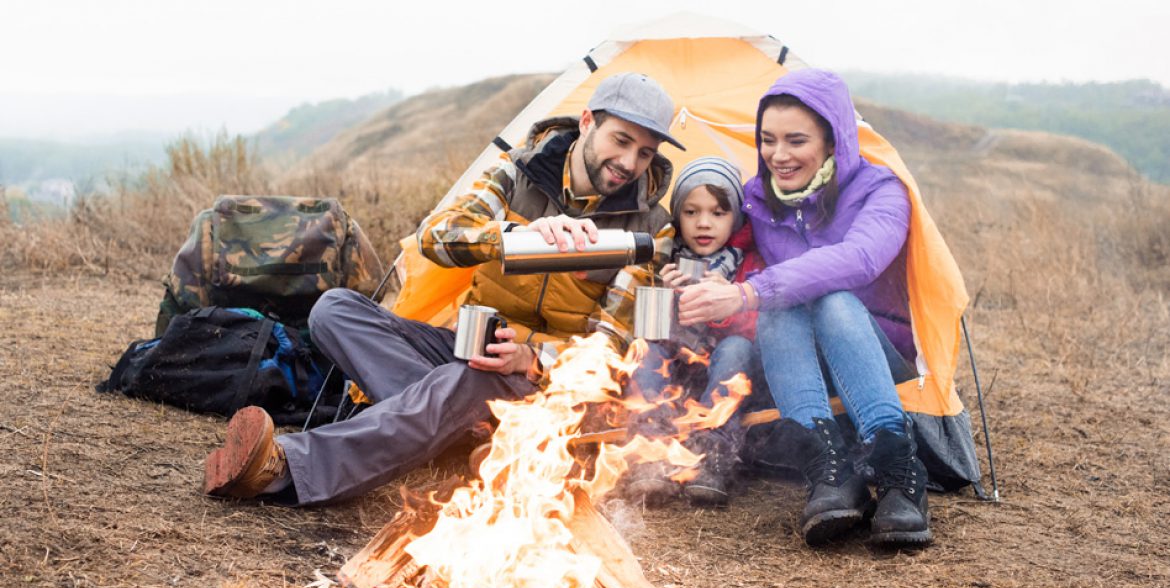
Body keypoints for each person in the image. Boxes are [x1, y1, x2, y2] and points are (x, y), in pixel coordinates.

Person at [201, 72, 683, 506]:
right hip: (466, 346)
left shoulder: (649, 229)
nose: (629, 162)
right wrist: (515, 237)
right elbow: (437, 236)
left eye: (644, 153)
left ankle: (286, 467)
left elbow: (611, 346)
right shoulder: (516, 175)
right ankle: (467, 438)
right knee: (334, 310)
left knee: (471, 377)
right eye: (621, 140)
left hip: (539, 383)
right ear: (586, 122)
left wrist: (532, 359)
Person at [677, 68, 931, 547]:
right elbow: (703, 229)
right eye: (768, 140)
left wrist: (750, 291)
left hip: (879, 364)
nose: (778, 155)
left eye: (796, 140)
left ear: (833, 140)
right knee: (778, 308)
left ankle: (900, 472)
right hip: (799, 373)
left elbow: (857, 260)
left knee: (830, 301)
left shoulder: (881, 191)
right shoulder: (758, 200)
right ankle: (828, 469)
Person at [622, 157, 764, 508]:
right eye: (691, 212)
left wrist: (726, 301)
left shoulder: (749, 263)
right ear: (678, 216)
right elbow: (642, 328)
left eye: (718, 213)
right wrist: (666, 296)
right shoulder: (663, 256)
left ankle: (713, 456)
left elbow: (756, 331)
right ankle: (651, 455)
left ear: (736, 218)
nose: (704, 223)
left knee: (735, 347)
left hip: (725, 378)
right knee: (647, 349)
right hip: (676, 376)